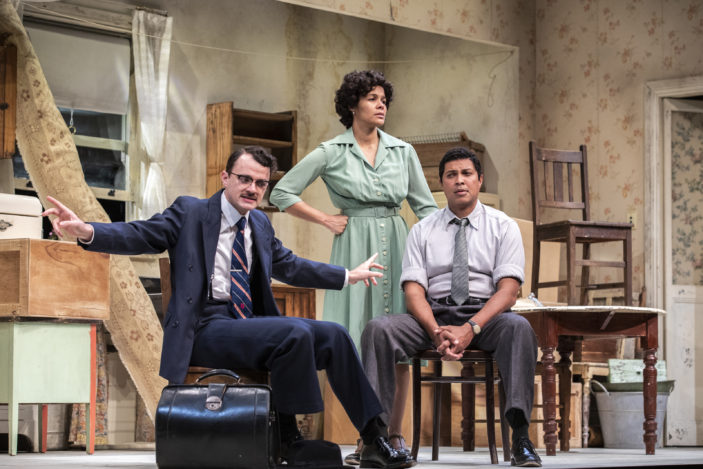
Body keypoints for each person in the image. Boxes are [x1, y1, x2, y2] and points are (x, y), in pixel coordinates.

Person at [43, 145, 415, 469]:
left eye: (261, 183)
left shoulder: (261, 225)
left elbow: (290, 265)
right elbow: (140, 233)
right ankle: (289, 437)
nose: (252, 189)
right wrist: (87, 231)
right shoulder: (190, 212)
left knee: (334, 334)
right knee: (293, 331)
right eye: (245, 179)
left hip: (246, 326)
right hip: (204, 329)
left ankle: (375, 439)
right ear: (225, 178)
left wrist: (346, 274)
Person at [270, 70, 437, 461]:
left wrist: (441, 254)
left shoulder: (403, 151)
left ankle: (394, 435)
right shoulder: (331, 151)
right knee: (357, 344)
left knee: (398, 346)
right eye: (372, 98)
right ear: (352, 105)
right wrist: (325, 219)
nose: (381, 106)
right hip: (354, 251)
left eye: (384, 100)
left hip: (399, 244)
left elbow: (426, 208)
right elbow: (282, 192)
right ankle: (368, 436)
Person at [361, 147, 543, 467]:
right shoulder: (422, 230)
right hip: (433, 315)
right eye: (451, 175)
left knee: (519, 328)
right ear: (442, 183)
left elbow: (508, 291)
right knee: (379, 329)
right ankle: (376, 440)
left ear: (479, 180)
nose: (460, 181)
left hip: (484, 316)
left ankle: (521, 438)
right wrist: (435, 331)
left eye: (467, 174)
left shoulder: (503, 226)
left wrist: (470, 328)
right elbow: (414, 291)